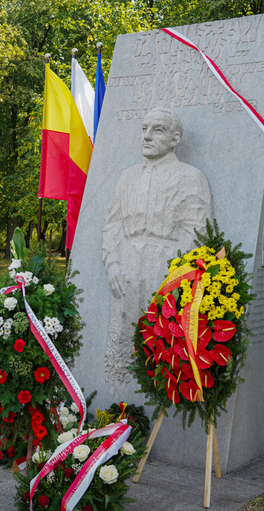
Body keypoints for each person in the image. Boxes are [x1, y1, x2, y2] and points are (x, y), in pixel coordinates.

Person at [101, 108, 213, 384]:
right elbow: (112, 224)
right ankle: (118, 407)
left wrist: (172, 274)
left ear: (175, 139)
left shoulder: (190, 176)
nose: (147, 136)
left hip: (165, 269)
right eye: (144, 129)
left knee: (161, 348)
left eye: (157, 130)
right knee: (123, 353)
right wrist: (112, 263)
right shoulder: (127, 177)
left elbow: (198, 232)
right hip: (126, 268)